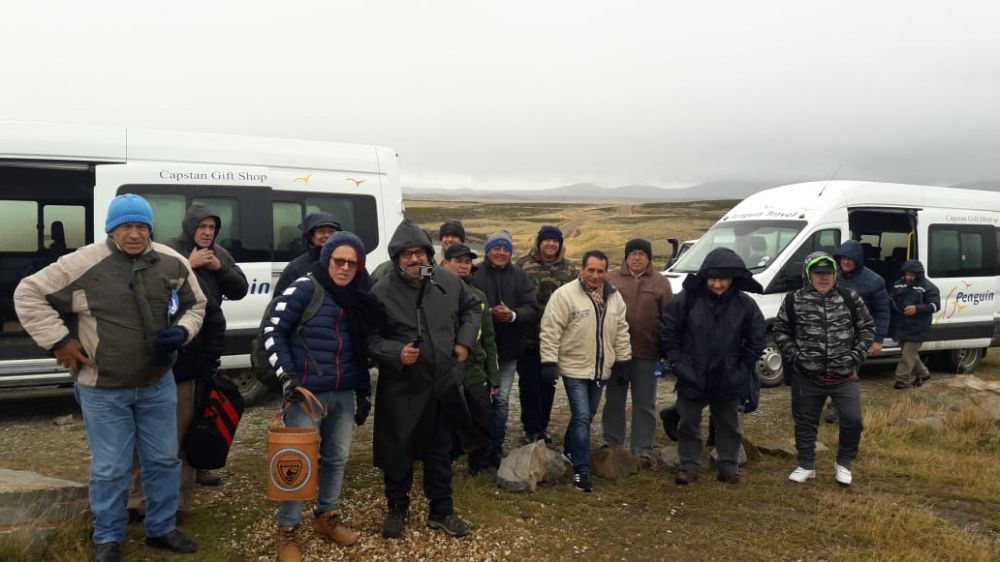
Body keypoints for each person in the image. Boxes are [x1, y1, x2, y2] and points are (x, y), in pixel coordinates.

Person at [14, 194, 207, 561]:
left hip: (157, 383)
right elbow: (28, 293)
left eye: (141, 226)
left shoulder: (172, 261)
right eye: (125, 226)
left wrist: (183, 331)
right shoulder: (83, 263)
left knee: (164, 460)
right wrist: (59, 341)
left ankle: (161, 527)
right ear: (111, 229)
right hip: (103, 388)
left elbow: (196, 304)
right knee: (110, 469)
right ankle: (108, 537)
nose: (134, 234)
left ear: (150, 229)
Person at [127, 204, 249, 520]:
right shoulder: (168, 251)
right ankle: (137, 500)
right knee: (149, 434)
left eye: (212, 227)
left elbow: (239, 289)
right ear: (190, 226)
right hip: (164, 352)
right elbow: (150, 290)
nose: (207, 232)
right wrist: (188, 266)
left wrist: (219, 268)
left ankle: (180, 498)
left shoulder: (219, 253)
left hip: (200, 353)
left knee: (190, 428)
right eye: (202, 226)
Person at [265, 231, 380, 561]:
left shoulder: (358, 296)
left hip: (343, 392)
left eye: (351, 263)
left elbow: (361, 348)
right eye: (338, 261)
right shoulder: (305, 288)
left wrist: (362, 391)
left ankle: (326, 517)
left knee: (336, 458)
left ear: (359, 267)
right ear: (327, 259)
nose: (344, 267)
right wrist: (287, 377)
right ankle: (288, 529)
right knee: (297, 462)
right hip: (306, 395)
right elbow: (273, 329)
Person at [368, 219, 480, 538]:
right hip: (402, 387)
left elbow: (472, 308)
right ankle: (397, 508)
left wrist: (464, 342)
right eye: (407, 254)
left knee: (440, 449)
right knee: (398, 450)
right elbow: (368, 339)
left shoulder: (447, 281)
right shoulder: (382, 291)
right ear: (396, 258)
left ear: (430, 255)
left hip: (441, 384)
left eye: (420, 252)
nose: (415, 259)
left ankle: (442, 510)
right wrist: (395, 352)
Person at [660, 248, 765, 485]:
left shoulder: (745, 304)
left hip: (728, 375)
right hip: (691, 373)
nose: (718, 284)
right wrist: (676, 362)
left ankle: (728, 468)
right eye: (713, 279)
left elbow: (757, 338)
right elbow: (669, 330)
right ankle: (688, 467)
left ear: (733, 279)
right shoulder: (686, 300)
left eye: (723, 279)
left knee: (728, 425)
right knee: (688, 423)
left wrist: (743, 366)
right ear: (704, 276)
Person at [773, 252, 875, 487]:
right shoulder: (793, 299)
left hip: (844, 376)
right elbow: (780, 331)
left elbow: (867, 327)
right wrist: (797, 357)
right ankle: (806, 465)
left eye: (828, 273)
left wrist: (855, 356)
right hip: (807, 376)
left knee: (853, 420)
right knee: (805, 422)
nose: (823, 277)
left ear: (835, 274)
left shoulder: (849, 297)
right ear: (808, 274)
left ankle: (844, 463)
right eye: (818, 273)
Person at [540, 250, 631, 492]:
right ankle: (582, 470)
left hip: (601, 369)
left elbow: (621, 330)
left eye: (600, 271)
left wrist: (624, 360)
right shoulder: (565, 295)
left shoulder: (614, 297)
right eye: (591, 270)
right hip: (574, 367)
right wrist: (549, 361)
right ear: (582, 269)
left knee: (588, 415)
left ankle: (570, 449)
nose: (595, 275)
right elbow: (550, 329)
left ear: (606, 272)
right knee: (581, 417)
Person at [470, 230, 538, 465]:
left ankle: (495, 448)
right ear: (488, 251)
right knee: (479, 402)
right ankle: (477, 450)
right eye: (497, 248)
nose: (501, 253)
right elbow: (464, 305)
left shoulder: (519, 275)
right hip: (479, 353)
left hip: (508, 352)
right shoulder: (475, 273)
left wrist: (512, 315)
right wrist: (488, 313)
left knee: (500, 401)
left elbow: (532, 308)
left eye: (506, 249)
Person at [603, 239, 673, 465]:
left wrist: (666, 351)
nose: (637, 257)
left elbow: (669, 319)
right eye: (633, 253)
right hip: (616, 353)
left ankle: (642, 449)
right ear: (626, 256)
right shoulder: (610, 279)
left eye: (642, 253)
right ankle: (612, 444)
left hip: (648, 353)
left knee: (644, 403)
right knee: (614, 400)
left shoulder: (661, 283)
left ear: (649, 258)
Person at [514, 225, 578, 445]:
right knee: (529, 384)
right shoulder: (522, 265)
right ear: (539, 242)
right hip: (527, 339)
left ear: (560, 244)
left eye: (555, 241)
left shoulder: (570, 270)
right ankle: (530, 428)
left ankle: (542, 427)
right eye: (547, 240)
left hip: (555, 340)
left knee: (547, 384)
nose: (551, 244)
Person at [441, 243, 500, 475]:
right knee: (446, 420)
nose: (464, 266)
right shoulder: (434, 292)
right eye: (458, 261)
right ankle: (443, 462)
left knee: (482, 417)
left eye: (467, 262)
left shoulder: (479, 296)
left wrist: (493, 376)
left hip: (474, 370)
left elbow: (489, 338)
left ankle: (479, 465)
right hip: (445, 370)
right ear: (445, 263)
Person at [824, 240, 890, 422]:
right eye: (842, 258)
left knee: (846, 373)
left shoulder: (874, 281)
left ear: (858, 260)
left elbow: (882, 312)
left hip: (858, 337)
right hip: (832, 335)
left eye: (849, 259)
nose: (845, 262)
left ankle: (837, 409)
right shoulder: (833, 276)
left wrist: (878, 340)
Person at [889, 259, 940, 389]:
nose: (909, 277)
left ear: (919, 275)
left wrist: (917, 309)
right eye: (907, 274)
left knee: (907, 355)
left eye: (912, 275)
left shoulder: (929, 287)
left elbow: (935, 306)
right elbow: (891, 298)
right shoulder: (898, 284)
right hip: (901, 326)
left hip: (919, 327)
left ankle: (901, 380)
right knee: (910, 354)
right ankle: (923, 373)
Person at [273, 213, 341, 296]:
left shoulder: (346, 262)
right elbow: (280, 299)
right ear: (311, 237)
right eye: (321, 231)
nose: (327, 235)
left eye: (331, 231)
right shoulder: (296, 267)